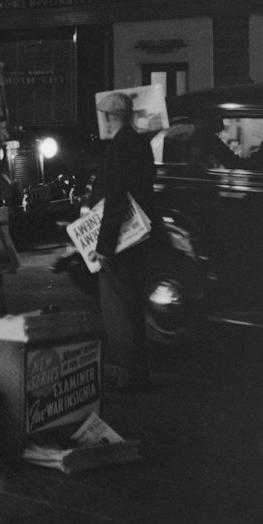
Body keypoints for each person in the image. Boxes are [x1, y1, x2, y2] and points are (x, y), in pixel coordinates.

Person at [91, 91, 158, 391]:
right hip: (140, 236)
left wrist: (104, 247)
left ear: (108, 117)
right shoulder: (141, 144)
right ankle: (138, 372)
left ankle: (128, 376)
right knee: (133, 306)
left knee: (117, 310)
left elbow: (114, 198)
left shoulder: (118, 146)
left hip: (121, 240)